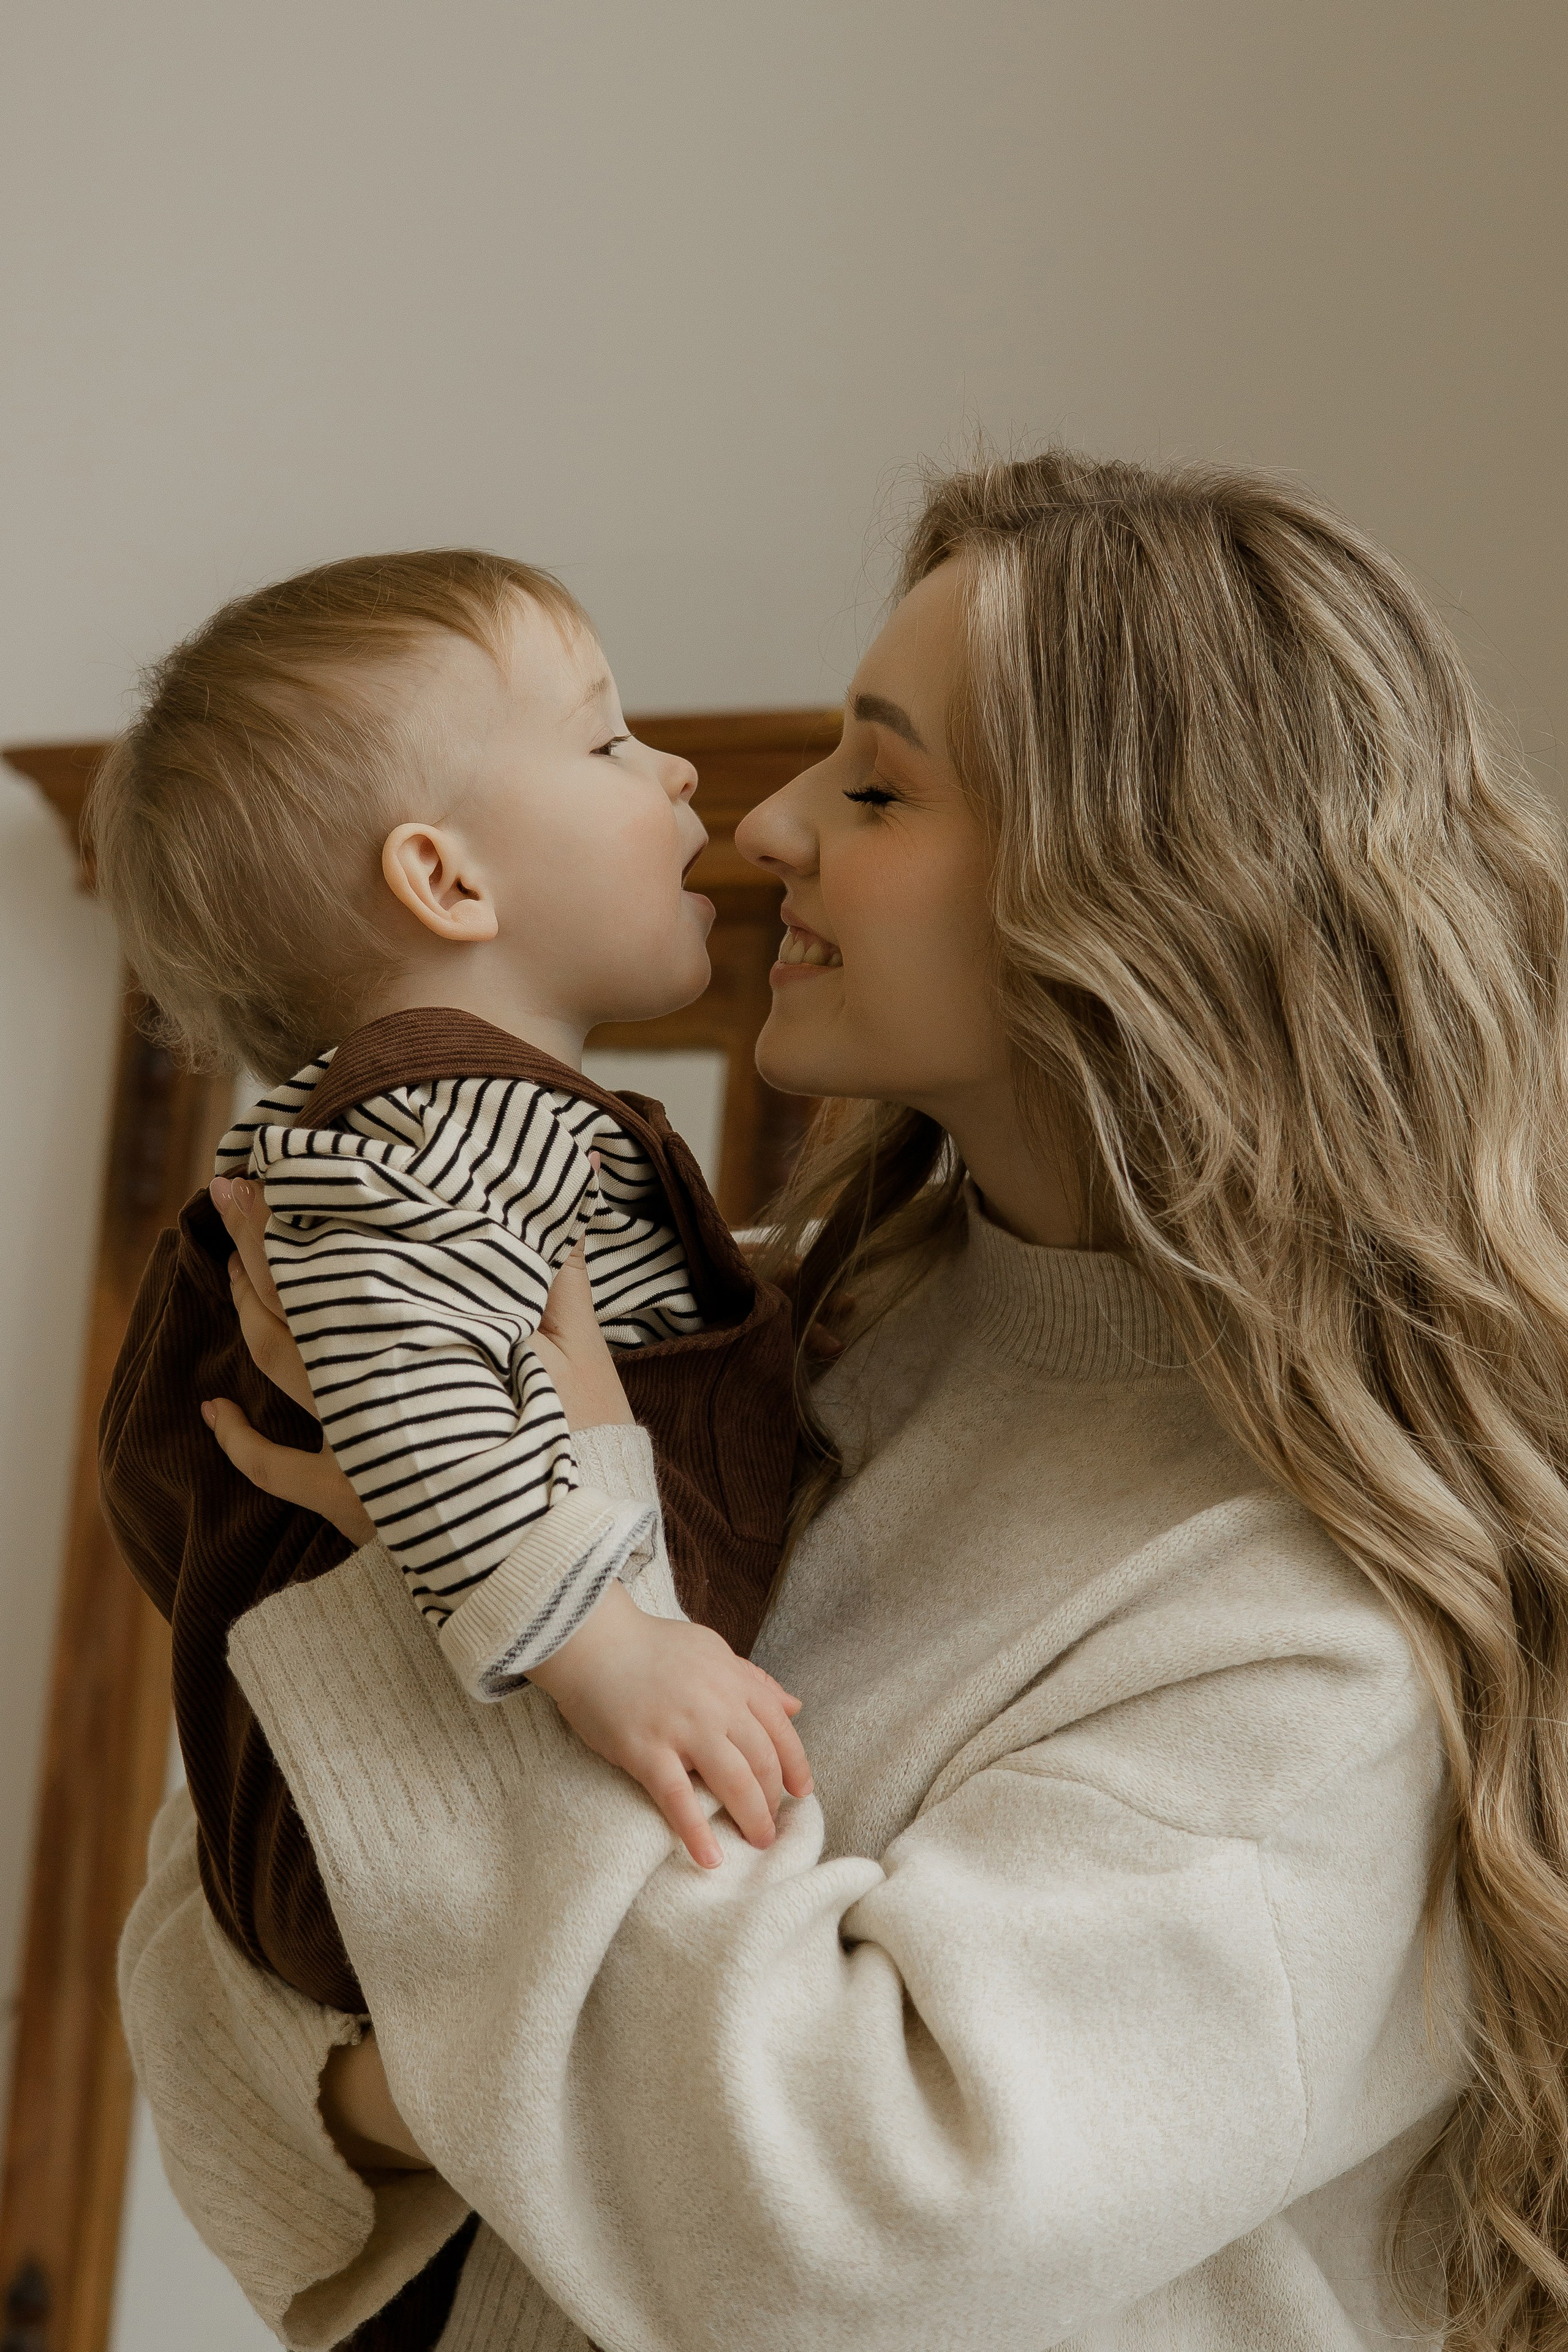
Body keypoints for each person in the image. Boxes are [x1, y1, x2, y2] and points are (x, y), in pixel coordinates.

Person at [120, 451, 1568, 2351]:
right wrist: (478, 2084)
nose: (767, 820)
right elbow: (194, 1972)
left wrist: (496, 1619)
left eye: (877, 782)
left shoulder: (1315, 1626)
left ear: (1150, 884)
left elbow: (820, 2243)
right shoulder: (729, 1338)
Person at [89, 550, 814, 2048]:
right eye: (609, 741)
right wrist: (604, 1646)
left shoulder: (457, 1137)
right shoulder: (431, 1122)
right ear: (447, 879)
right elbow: (413, 1394)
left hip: (405, 1825)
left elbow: (586, 1325)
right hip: (391, 1825)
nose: (677, 770)